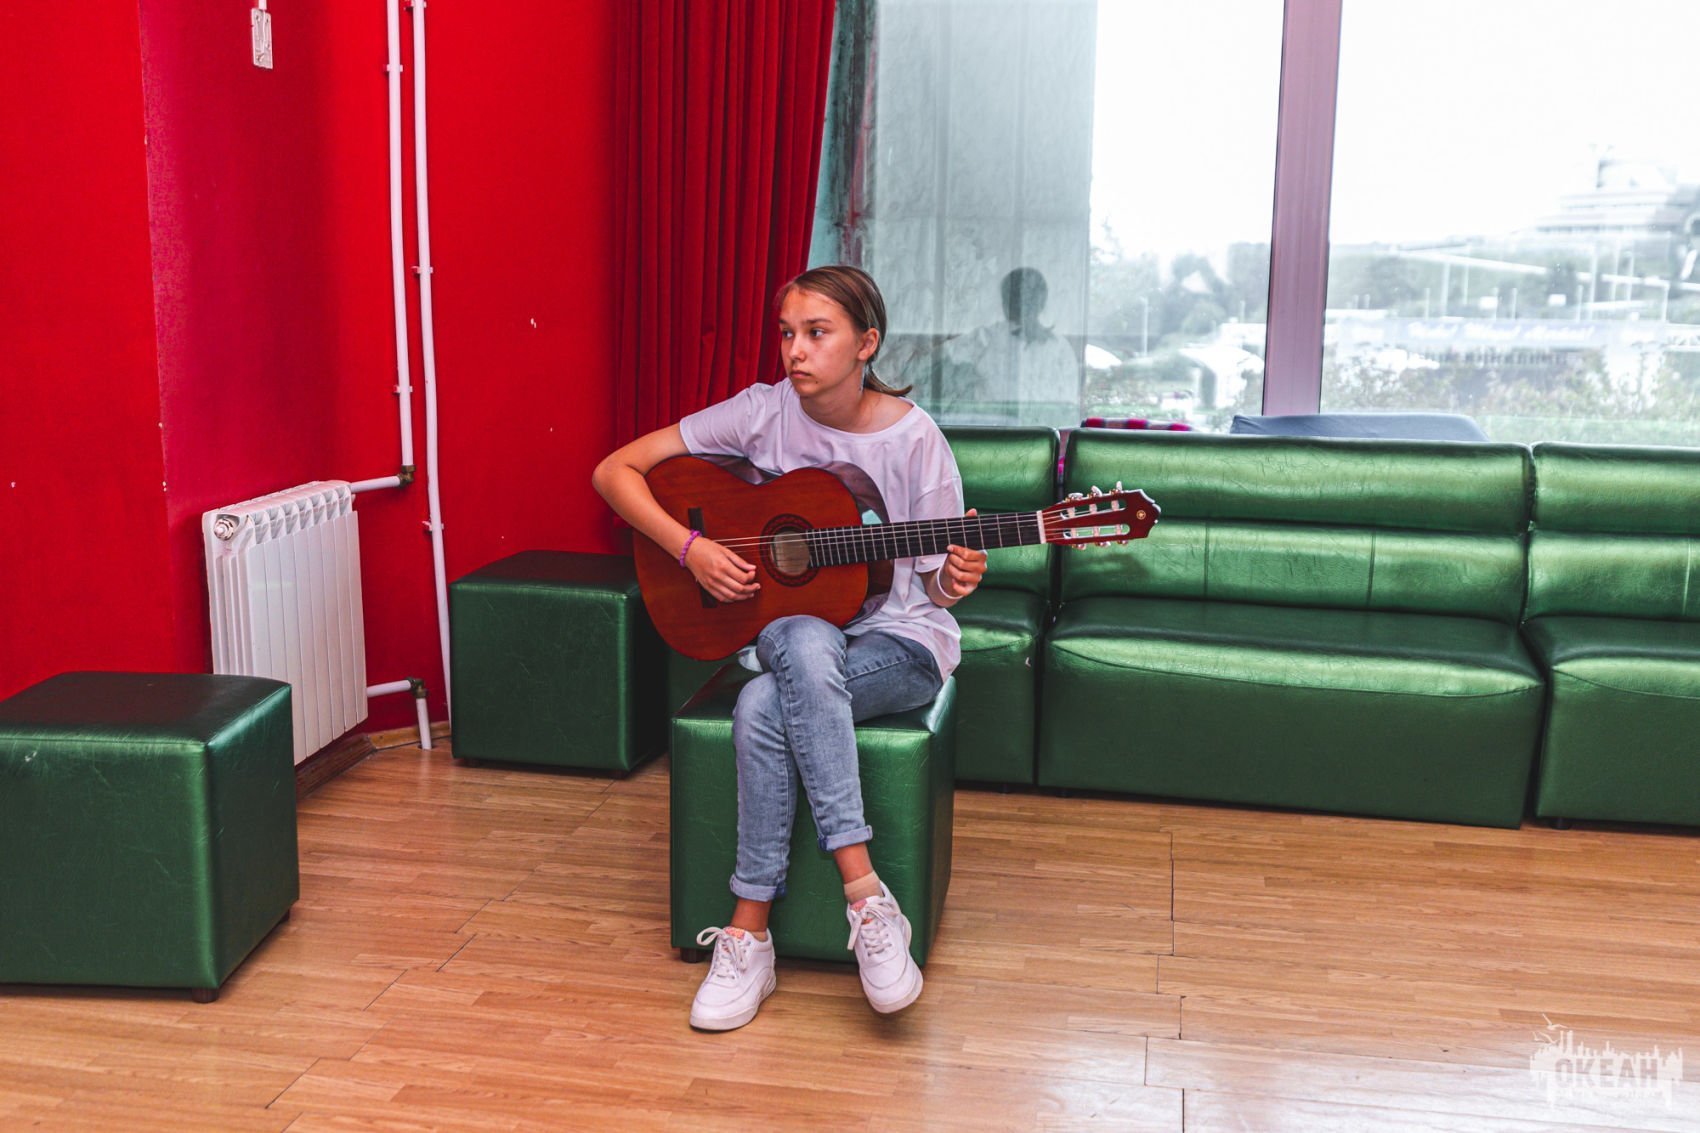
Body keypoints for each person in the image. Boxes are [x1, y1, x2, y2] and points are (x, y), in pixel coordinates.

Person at [592, 265, 988, 1031]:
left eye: (816, 333)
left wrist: (954, 578)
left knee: (765, 700)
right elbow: (615, 471)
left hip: (901, 645)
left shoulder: (916, 441)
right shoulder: (762, 413)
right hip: (794, 636)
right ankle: (865, 896)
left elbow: (932, 590)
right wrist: (690, 549)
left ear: (866, 343)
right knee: (803, 634)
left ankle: (748, 931)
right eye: (786, 333)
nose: (795, 350)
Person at [935, 266, 1082, 428]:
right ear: (1042, 303)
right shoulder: (1061, 348)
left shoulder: (987, 337)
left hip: (1000, 436)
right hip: (1034, 437)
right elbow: (1067, 410)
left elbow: (937, 356)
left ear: (1005, 303)